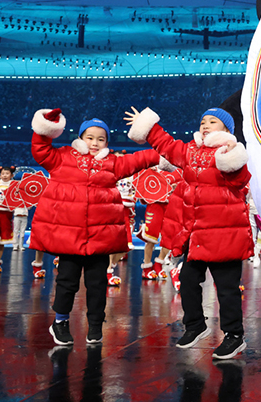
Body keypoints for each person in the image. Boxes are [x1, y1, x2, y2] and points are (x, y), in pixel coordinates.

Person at [126, 106, 252, 360]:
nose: (205, 125)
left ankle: (234, 336)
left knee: (227, 289)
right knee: (188, 279)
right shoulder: (190, 152)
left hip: (224, 234)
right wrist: (147, 126)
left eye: (213, 122)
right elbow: (166, 144)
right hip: (197, 235)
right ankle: (195, 325)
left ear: (227, 129)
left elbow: (241, 181)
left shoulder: (229, 153)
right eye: (203, 120)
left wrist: (232, 160)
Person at [31, 109, 159, 346]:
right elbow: (40, 149)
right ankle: (60, 322)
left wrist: (155, 137)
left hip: (100, 238)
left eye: (101, 139)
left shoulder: (113, 163)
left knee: (98, 284)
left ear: (107, 143)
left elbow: (144, 158)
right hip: (69, 238)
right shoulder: (62, 157)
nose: (95, 143)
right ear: (80, 138)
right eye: (90, 137)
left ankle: (96, 325)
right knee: (67, 281)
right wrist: (46, 125)